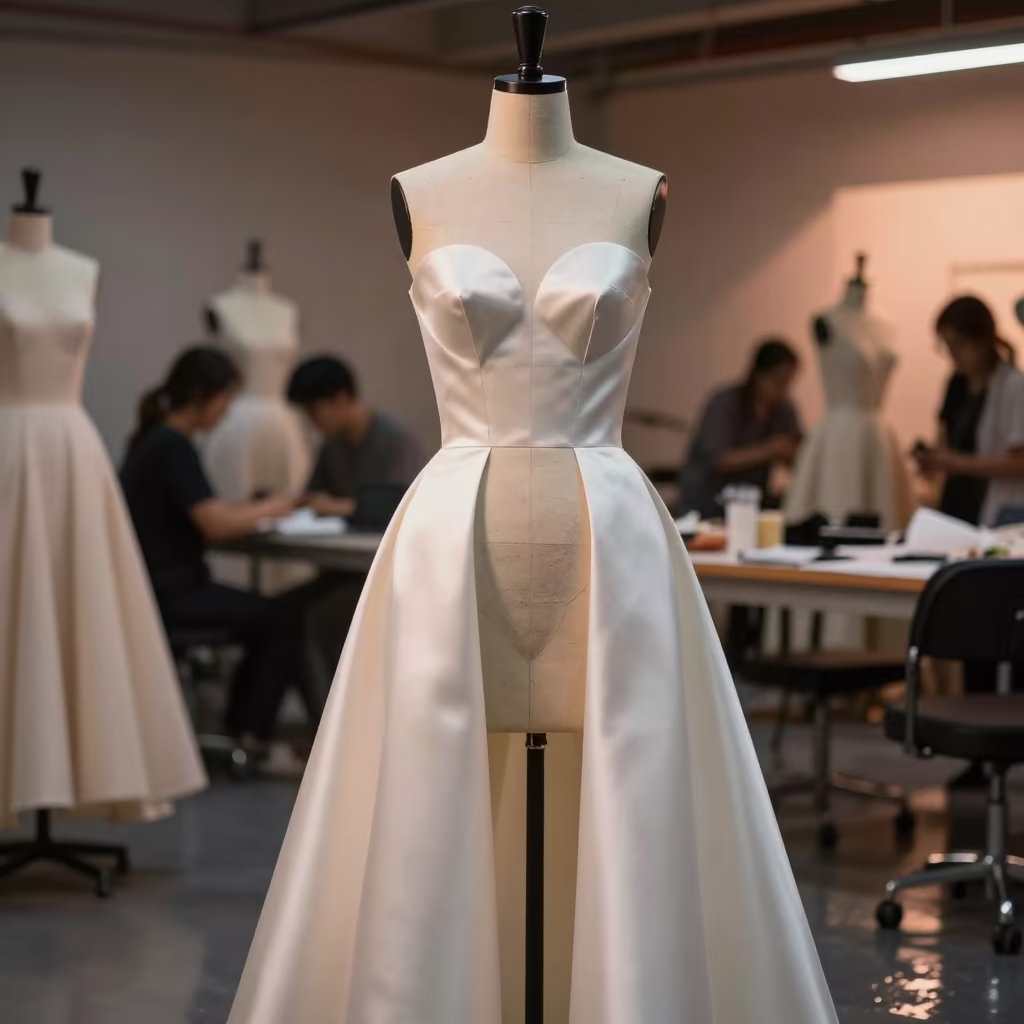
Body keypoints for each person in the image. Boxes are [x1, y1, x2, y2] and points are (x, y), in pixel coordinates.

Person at [121, 346, 305, 757]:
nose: (225, 413)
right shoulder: (172, 446)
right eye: (225, 400)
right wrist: (277, 506)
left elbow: (203, 514)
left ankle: (242, 727)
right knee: (281, 619)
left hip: (156, 589)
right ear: (204, 393)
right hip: (174, 594)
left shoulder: (154, 442)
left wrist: (249, 510)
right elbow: (216, 524)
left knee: (270, 614)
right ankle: (248, 732)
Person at [914, 295, 1024, 527]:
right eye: (948, 346)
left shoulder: (1012, 386)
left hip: (998, 508)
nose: (953, 355)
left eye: (958, 345)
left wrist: (956, 462)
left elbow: (1018, 463)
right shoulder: (957, 386)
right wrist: (933, 461)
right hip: (955, 504)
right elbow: (944, 439)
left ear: (982, 340)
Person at [678, 338, 803, 519]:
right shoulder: (724, 403)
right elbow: (719, 460)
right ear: (759, 375)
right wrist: (771, 449)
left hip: (750, 508)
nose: (783, 389)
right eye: (778, 381)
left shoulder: (784, 409)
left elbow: (797, 453)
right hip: (706, 505)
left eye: (788, 383)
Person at [287, 355, 425, 518]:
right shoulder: (332, 445)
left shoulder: (398, 439)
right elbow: (314, 496)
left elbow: (408, 505)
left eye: (313, 412)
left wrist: (345, 508)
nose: (311, 422)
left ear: (340, 398)